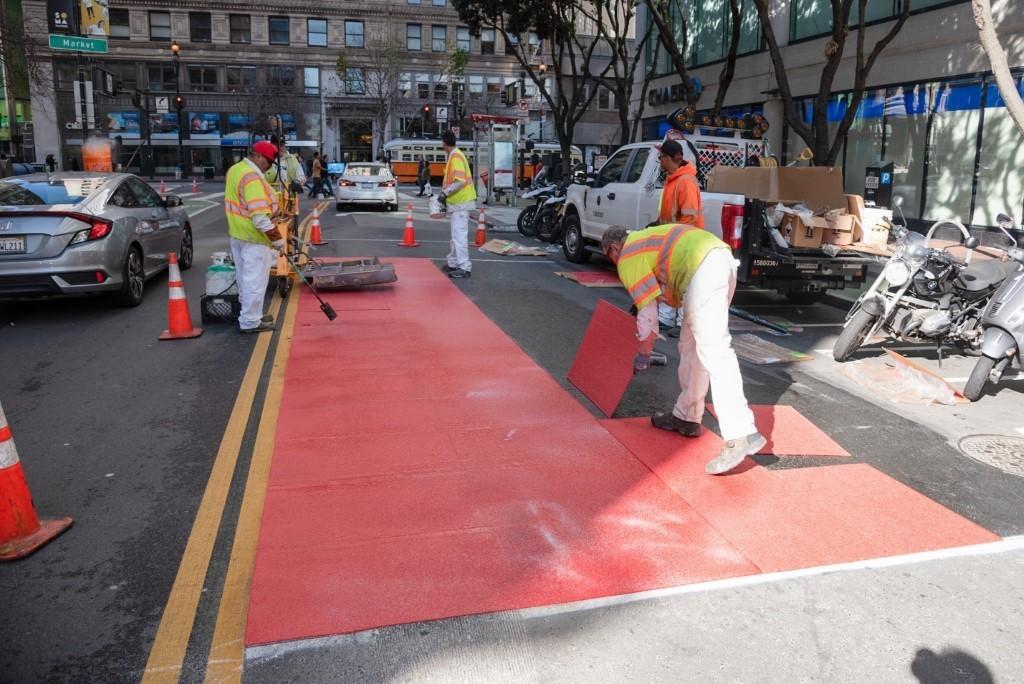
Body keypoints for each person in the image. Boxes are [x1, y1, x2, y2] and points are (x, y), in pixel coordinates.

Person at [601, 223, 765, 475]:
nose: (614, 264)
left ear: (614, 248)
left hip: (704, 271)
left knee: (715, 350)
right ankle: (686, 416)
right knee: (691, 347)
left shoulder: (628, 255)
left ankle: (740, 433)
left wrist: (643, 353)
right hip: (716, 262)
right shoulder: (644, 241)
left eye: (610, 257)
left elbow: (648, 314)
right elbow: (666, 289)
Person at [224, 141, 284, 334]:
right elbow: (259, 217)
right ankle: (250, 321)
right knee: (255, 281)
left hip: (238, 234)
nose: (269, 166)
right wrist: (277, 240)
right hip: (254, 238)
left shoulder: (236, 170)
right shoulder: (252, 177)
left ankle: (251, 315)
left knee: (245, 279)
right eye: (268, 161)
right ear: (257, 156)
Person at [655, 139, 705, 334]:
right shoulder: (674, 179)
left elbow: (690, 216)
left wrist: (675, 237)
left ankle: (683, 323)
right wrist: (656, 225)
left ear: (669, 158)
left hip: (686, 240)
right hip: (675, 238)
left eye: (661, 157)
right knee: (669, 278)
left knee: (684, 283)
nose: (660, 161)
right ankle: (666, 317)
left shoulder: (685, 181)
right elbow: (671, 212)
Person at [438, 129, 476, 279]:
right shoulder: (456, 155)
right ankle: (453, 263)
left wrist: (445, 193)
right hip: (459, 203)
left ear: (444, 143)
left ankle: (464, 267)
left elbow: (460, 181)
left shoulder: (455, 157)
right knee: (456, 236)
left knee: (459, 236)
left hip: (461, 202)